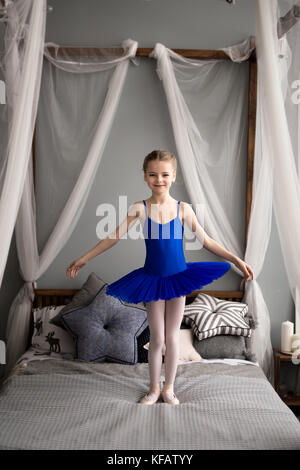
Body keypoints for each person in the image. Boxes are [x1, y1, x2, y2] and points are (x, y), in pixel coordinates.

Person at [66, 150, 254, 406]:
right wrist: (85, 257)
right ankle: (153, 388)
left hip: (178, 279)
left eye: (165, 174)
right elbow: (114, 237)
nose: (159, 179)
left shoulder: (183, 209)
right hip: (153, 279)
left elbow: (207, 240)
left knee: (173, 336)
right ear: (145, 176)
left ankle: (169, 389)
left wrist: (235, 259)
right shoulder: (140, 209)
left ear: (173, 176)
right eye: (153, 174)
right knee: (157, 338)